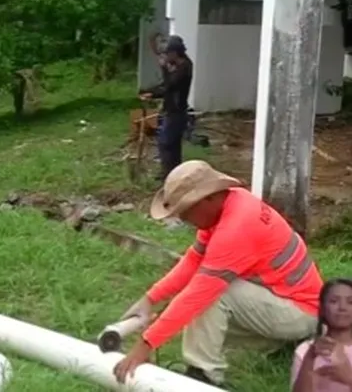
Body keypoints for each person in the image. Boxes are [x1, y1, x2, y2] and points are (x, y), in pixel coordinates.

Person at [113, 160, 322, 387]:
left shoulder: (237, 227)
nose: (182, 219)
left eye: (185, 210)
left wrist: (146, 344)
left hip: (303, 312)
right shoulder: (230, 204)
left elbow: (200, 292)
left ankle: (205, 377)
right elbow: (194, 260)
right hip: (284, 301)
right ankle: (284, 344)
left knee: (213, 295)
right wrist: (150, 298)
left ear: (208, 198)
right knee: (199, 309)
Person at [139, 34, 193, 182]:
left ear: (175, 52)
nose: (165, 56)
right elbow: (165, 86)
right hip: (171, 109)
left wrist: (163, 68)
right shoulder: (179, 66)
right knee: (172, 145)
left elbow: (169, 85)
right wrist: (150, 92)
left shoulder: (185, 67)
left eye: (167, 53)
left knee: (166, 143)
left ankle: (169, 174)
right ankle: (171, 173)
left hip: (176, 111)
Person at [292, 279, 352, 391]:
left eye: (350, 302)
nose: (342, 308)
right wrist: (309, 358)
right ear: (322, 309)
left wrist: (348, 378)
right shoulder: (304, 351)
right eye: (334, 301)